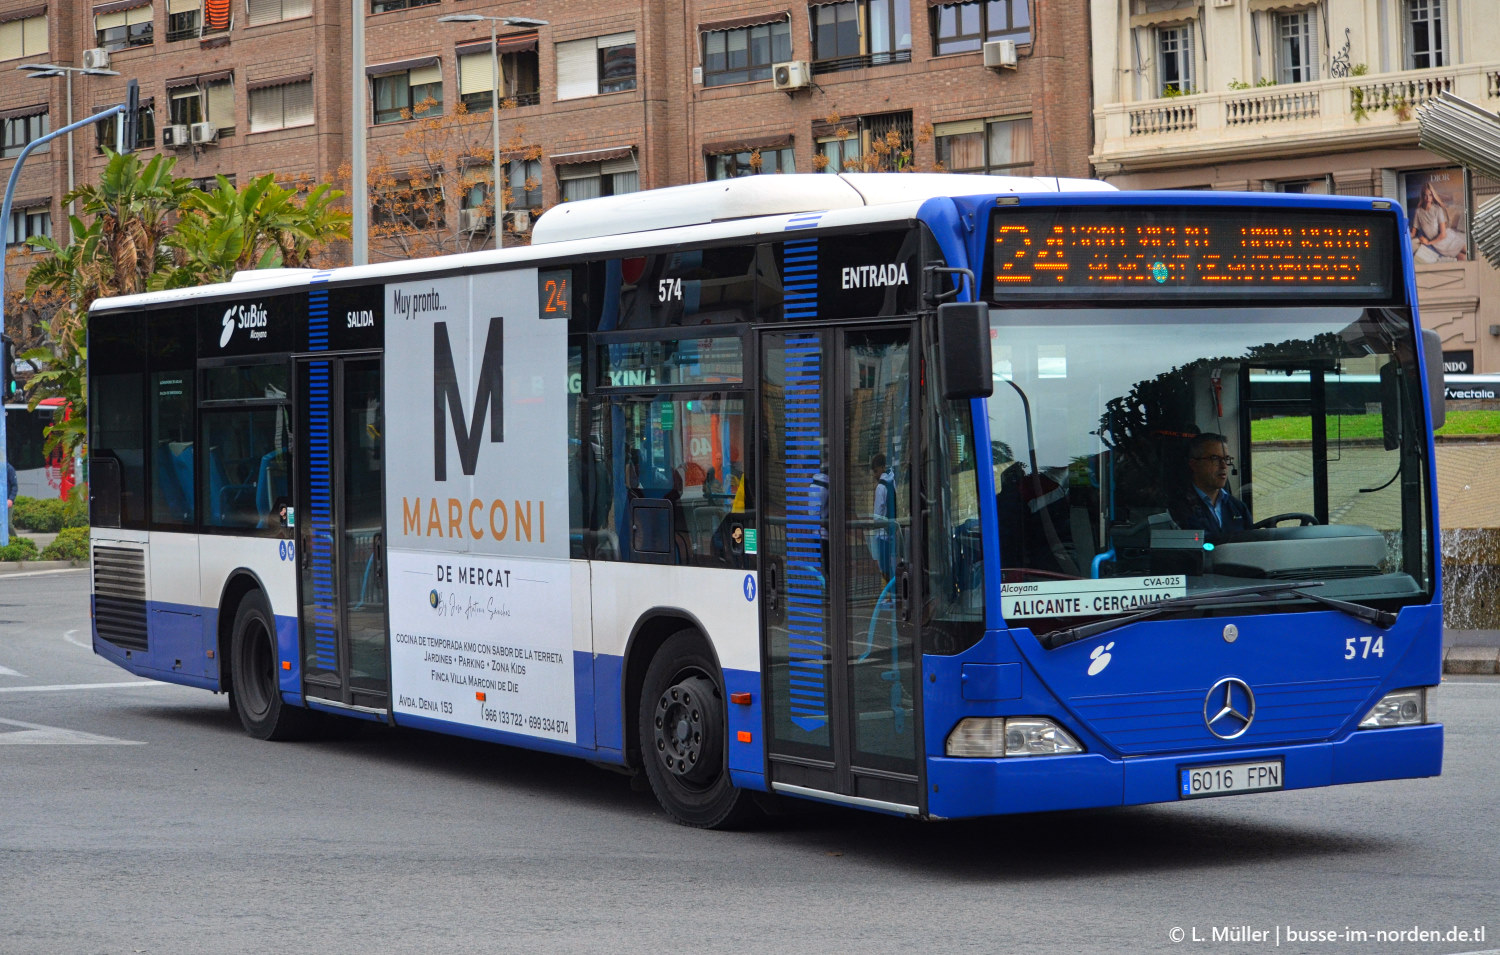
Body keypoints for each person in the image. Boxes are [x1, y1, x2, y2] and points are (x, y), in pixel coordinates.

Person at [1170, 433, 1252, 535]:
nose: (1224, 466)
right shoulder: (1177, 508)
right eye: (1214, 458)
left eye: (1226, 459)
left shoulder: (1238, 508)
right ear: (1194, 464)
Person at [1410, 181, 1468, 263]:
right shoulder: (1418, 212)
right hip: (1439, 246)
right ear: (1422, 196)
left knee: (1472, 253)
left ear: (1433, 196)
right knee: (1463, 258)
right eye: (1425, 195)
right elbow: (1413, 233)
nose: (1428, 198)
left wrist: (1429, 243)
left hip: (1448, 238)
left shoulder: (1437, 210)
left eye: (1430, 195)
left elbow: (1443, 234)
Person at [869, 453, 897, 579]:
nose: (875, 475)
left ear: (882, 468)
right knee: (891, 564)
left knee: (884, 568)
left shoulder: (881, 487)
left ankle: (889, 595)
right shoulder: (892, 481)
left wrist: (874, 525)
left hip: (882, 533)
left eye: (876, 471)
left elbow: (878, 512)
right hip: (891, 530)